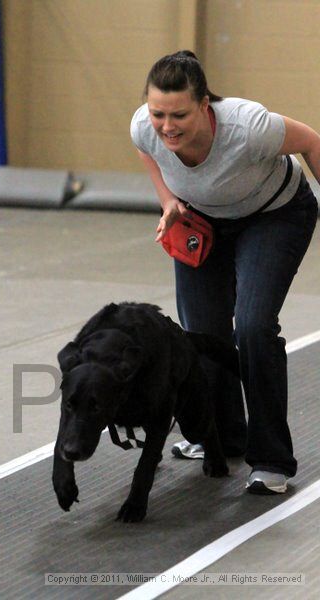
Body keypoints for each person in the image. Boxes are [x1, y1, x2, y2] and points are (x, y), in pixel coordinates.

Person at [130, 50, 319, 494]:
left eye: (179, 114)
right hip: (203, 220)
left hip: (274, 214)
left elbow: (310, 139)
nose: (167, 125)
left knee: (252, 327)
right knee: (202, 330)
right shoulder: (145, 126)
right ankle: (221, 436)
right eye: (158, 113)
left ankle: (271, 459)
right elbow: (146, 150)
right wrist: (167, 200)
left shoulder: (248, 128)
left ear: (204, 105)